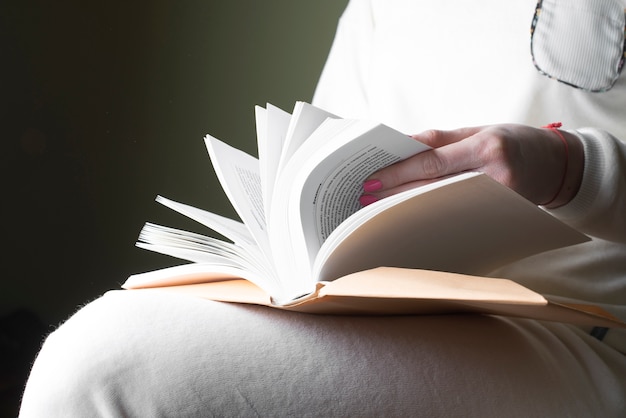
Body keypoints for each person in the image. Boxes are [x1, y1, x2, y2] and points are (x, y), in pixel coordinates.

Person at [20, 0, 626, 416]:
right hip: (403, 312)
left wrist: (575, 170)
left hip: (590, 336)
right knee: (107, 349)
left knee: (105, 369)